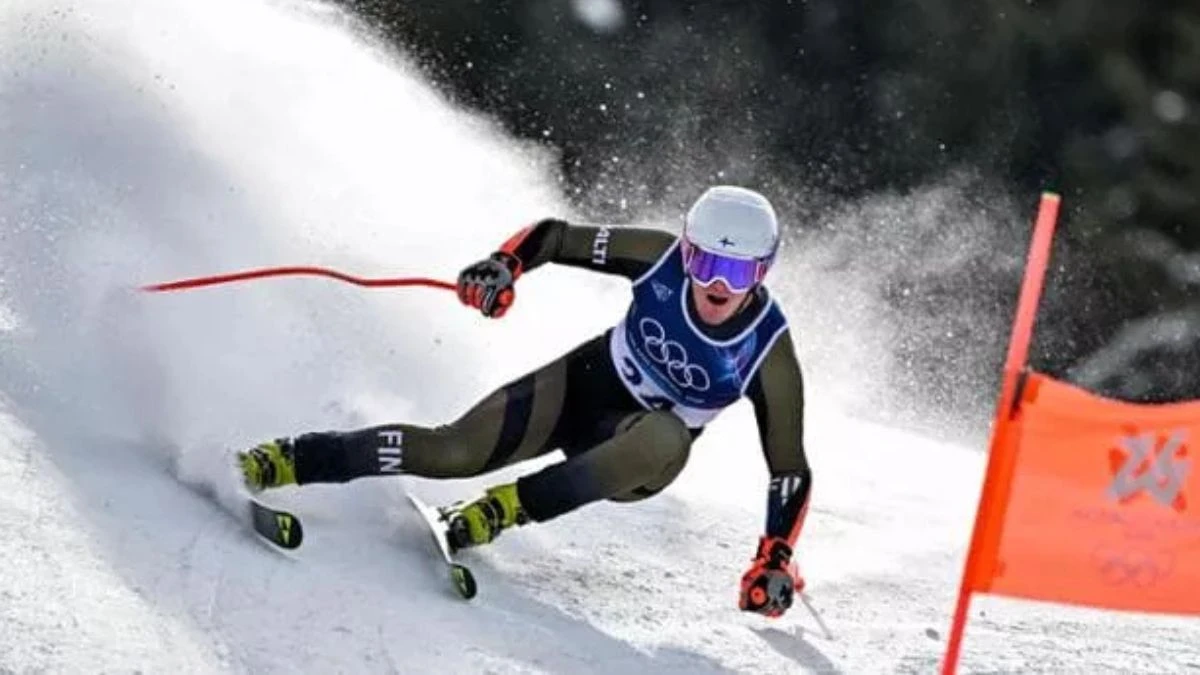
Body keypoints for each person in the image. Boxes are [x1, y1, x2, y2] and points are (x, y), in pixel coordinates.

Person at [237, 185, 812, 618]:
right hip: (583, 384)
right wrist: (503, 266)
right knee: (451, 452)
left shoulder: (767, 349)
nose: (717, 286)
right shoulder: (657, 257)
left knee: (665, 436)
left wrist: (774, 557)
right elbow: (556, 236)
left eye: (737, 273)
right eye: (705, 263)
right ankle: (287, 458)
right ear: (685, 252)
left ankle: (499, 511)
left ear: (761, 274)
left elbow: (789, 468)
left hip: (635, 453)